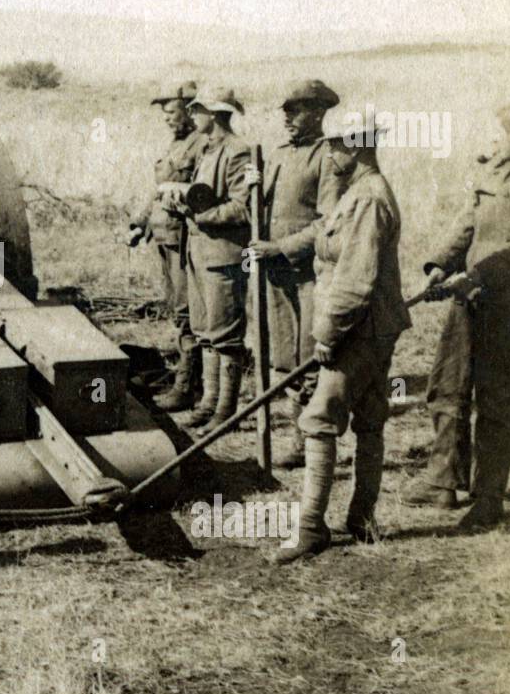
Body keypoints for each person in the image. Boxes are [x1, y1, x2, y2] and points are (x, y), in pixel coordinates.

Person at [407, 101, 510, 531]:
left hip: (506, 300)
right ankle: (444, 481)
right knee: (447, 384)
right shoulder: (493, 167)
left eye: (504, 130)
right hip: (467, 293)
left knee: (494, 397)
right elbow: (469, 221)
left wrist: (478, 274)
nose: (498, 136)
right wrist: (441, 265)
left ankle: (488, 499)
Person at [276, 123, 410, 564]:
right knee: (370, 417)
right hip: (373, 327)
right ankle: (361, 519)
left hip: (358, 330)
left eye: (336, 146)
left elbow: (356, 280)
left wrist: (328, 334)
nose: (329, 155)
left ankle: (312, 529)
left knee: (318, 419)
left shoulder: (368, 198)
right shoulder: (358, 192)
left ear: (356, 147)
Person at [244, 79, 348, 466]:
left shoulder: (328, 158)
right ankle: (293, 432)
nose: (287, 118)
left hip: (308, 273)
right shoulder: (277, 155)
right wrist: (251, 188)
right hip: (274, 273)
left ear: (318, 112)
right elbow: (256, 209)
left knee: (309, 355)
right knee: (283, 354)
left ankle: (307, 440)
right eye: (285, 111)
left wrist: (283, 248)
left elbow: (328, 222)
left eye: (296, 110)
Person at [129, 80, 209, 409]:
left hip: (185, 239)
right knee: (176, 309)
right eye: (163, 113)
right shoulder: (174, 145)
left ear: (189, 111)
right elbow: (160, 189)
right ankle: (186, 379)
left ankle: (188, 386)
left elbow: (199, 192)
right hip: (164, 237)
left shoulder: (201, 145)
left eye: (171, 111)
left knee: (186, 311)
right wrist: (141, 222)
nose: (166, 118)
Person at [180, 88, 251, 433]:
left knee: (226, 335)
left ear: (216, 114)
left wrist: (201, 217)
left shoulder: (238, 152)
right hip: (200, 253)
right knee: (206, 332)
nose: (192, 116)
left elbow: (242, 207)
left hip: (223, 255)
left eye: (198, 110)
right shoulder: (208, 150)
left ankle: (227, 411)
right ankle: (210, 402)